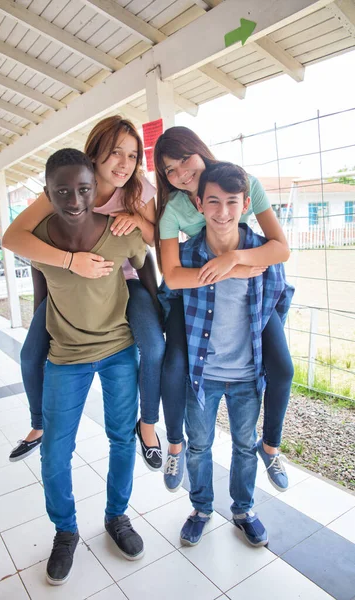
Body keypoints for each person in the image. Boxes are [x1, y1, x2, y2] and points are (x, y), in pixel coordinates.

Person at [3, 116, 165, 472]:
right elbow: (13, 238)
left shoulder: (139, 190)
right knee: (31, 355)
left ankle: (149, 425)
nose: (125, 164)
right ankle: (38, 425)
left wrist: (138, 221)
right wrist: (70, 262)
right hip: (71, 283)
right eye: (115, 153)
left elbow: (156, 241)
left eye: (133, 155)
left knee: (153, 346)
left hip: (124, 282)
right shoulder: (73, 186)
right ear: (95, 154)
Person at [29, 148, 147, 585]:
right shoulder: (38, 239)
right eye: (62, 190)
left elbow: (146, 268)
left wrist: (154, 324)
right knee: (55, 450)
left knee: (121, 437)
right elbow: (42, 289)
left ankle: (117, 517)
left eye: (82, 188)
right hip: (66, 358)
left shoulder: (120, 232)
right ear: (48, 192)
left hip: (119, 350)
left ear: (95, 188)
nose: (74, 199)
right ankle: (65, 530)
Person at [154, 126, 294, 493]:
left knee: (282, 368)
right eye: (171, 170)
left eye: (185, 160)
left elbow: (279, 247)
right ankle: (174, 444)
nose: (182, 173)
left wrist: (235, 259)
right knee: (172, 364)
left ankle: (270, 446)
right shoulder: (174, 209)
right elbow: (171, 274)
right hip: (197, 296)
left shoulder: (243, 183)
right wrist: (227, 272)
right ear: (200, 204)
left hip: (245, 293)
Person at [175, 163, 294, 547]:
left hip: (247, 374)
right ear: (199, 204)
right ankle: (202, 507)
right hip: (203, 375)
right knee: (199, 445)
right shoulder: (187, 255)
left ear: (245, 204)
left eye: (231, 202)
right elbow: (169, 297)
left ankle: (243, 509)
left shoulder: (263, 253)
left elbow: (277, 297)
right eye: (213, 201)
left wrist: (238, 261)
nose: (222, 211)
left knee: (245, 445)